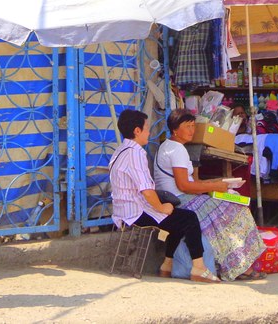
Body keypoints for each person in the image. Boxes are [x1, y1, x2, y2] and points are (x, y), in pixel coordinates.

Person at [109, 109, 218, 283]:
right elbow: (146, 190)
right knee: (188, 218)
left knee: (176, 218)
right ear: (137, 131)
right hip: (136, 212)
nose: (149, 132)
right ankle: (199, 268)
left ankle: (167, 265)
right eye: (146, 128)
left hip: (123, 210)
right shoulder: (135, 153)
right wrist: (161, 208)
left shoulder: (120, 151)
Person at [154, 109, 265, 281]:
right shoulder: (177, 150)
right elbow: (184, 186)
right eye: (187, 126)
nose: (192, 130)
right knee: (236, 210)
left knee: (227, 209)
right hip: (183, 200)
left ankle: (238, 265)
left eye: (193, 126)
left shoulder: (166, 146)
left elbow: (188, 182)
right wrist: (216, 186)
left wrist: (218, 183)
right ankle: (242, 267)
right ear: (175, 129)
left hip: (178, 198)